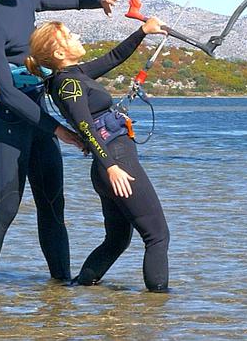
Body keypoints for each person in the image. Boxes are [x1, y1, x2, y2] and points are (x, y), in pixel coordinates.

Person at [0, 0, 121, 284]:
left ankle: (60, 291)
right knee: (6, 206)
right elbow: (6, 91)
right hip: (7, 120)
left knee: (53, 207)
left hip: (39, 113)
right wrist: (61, 131)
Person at [25, 18, 171, 292]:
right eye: (69, 34)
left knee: (117, 240)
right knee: (157, 236)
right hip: (115, 163)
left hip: (109, 164)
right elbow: (85, 127)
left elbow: (114, 56)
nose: (76, 34)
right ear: (59, 53)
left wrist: (142, 31)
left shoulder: (75, 75)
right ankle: (159, 306)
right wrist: (111, 167)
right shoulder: (69, 84)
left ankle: (77, 288)